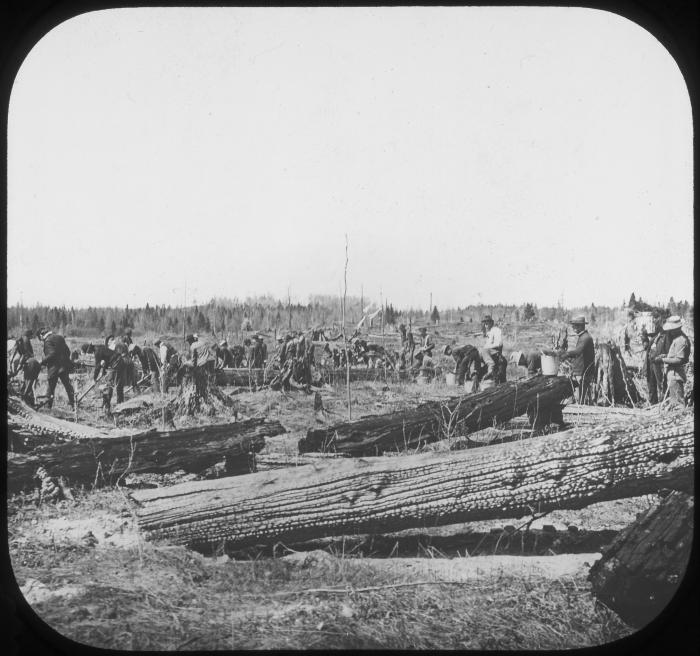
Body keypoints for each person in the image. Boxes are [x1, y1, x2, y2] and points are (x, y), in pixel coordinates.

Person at [654, 315, 690, 406]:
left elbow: (679, 360)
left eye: (672, 329)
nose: (670, 331)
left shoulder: (681, 340)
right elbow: (675, 355)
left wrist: (663, 360)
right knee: (674, 403)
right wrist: (666, 356)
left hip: (676, 375)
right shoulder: (677, 339)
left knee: (678, 404)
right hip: (673, 375)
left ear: (676, 329)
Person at [559, 315, 595, 404]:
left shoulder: (585, 338)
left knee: (581, 395)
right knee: (584, 394)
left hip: (583, 371)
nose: (572, 327)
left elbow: (578, 352)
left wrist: (566, 354)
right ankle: (586, 410)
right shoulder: (583, 337)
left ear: (580, 326)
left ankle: (583, 412)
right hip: (582, 370)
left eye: (574, 325)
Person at [37, 328, 75, 409]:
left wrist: (42, 362)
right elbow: (68, 352)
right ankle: (74, 405)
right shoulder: (60, 337)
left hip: (54, 369)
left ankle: (48, 407)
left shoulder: (47, 341)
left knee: (51, 388)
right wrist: (64, 361)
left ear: (41, 335)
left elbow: (52, 354)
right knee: (68, 386)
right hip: (64, 367)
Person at [480, 315, 503, 381]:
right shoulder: (488, 333)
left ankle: (491, 368)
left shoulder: (496, 330)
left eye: (487, 322)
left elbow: (499, 343)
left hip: (496, 352)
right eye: (485, 323)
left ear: (491, 323)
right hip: (490, 353)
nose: (486, 324)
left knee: (484, 350)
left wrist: (486, 347)